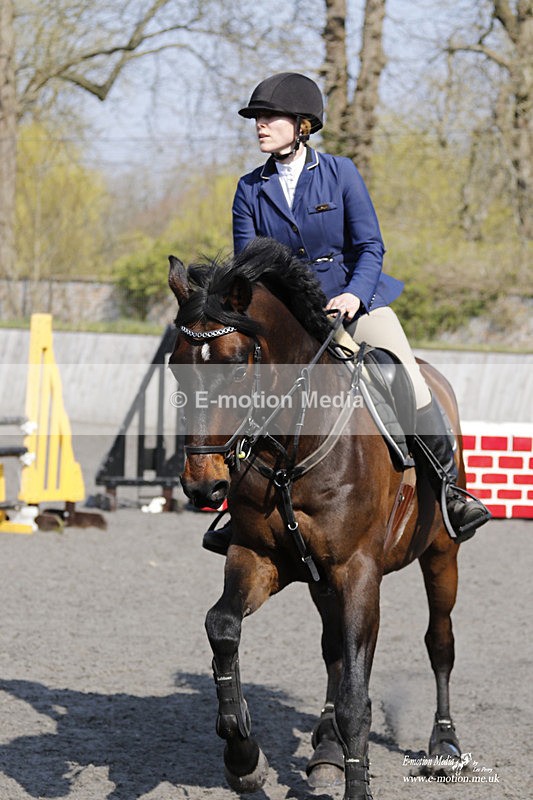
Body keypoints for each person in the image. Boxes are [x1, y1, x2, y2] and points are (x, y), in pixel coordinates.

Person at [202, 72, 490, 554]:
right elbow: (249, 269)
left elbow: (371, 245)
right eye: (256, 118)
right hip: (293, 321)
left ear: (303, 125)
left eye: (269, 117)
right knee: (248, 387)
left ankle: (451, 491)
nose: (259, 125)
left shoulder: (341, 173)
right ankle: (241, 509)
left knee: (407, 378)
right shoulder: (249, 189)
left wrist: (355, 294)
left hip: (355, 303)